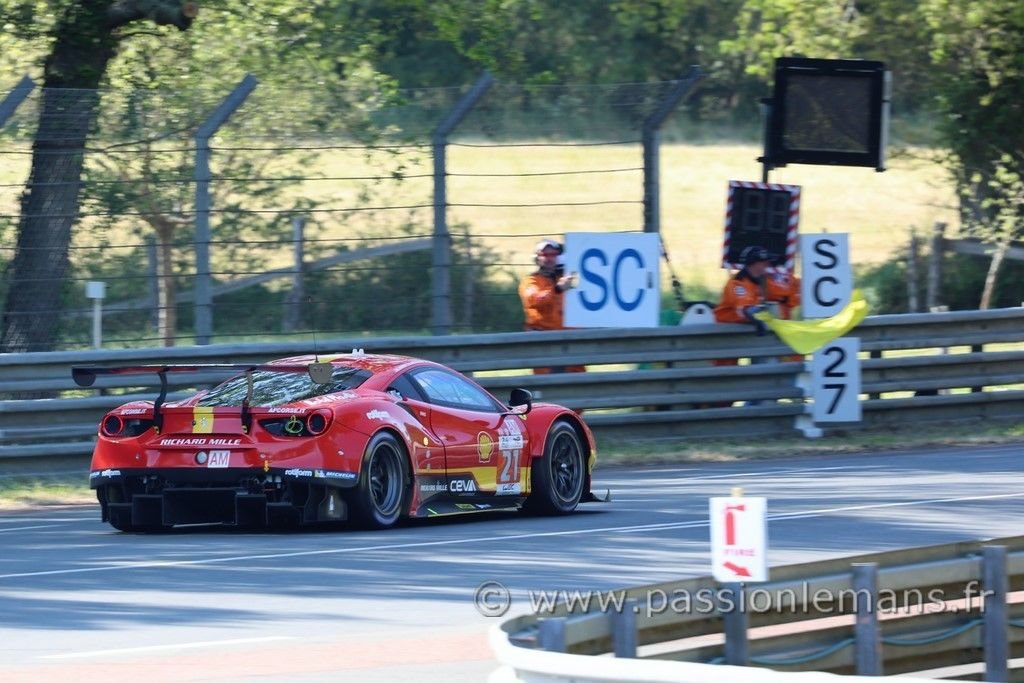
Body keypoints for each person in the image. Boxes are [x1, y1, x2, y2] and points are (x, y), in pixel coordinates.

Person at [518, 238, 585, 374]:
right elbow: (534, 299)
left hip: (570, 341)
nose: (549, 258)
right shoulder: (530, 281)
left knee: (577, 382)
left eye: (553, 254)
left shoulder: (567, 279)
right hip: (543, 340)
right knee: (546, 384)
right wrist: (557, 289)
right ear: (537, 258)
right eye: (545, 255)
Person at [714, 245, 801, 331]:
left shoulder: (765, 281)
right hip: (728, 331)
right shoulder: (737, 283)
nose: (768, 265)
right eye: (764, 262)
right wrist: (758, 317)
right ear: (754, 263)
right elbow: (745, 310)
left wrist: (796, 285)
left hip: (755, 331)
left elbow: (789, 296)